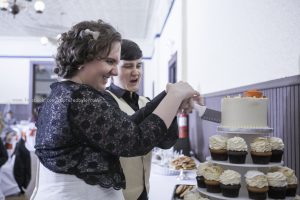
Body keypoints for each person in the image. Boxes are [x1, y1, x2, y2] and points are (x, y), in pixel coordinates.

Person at [33, 19, 199, 200]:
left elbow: (126, 125)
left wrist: (169, 95)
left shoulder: (67, 93)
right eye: (110, 61)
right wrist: (174, 97)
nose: (114, 72)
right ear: (83, 58)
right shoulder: (79, 98)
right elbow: (136, 141)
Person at [107, 39, 178, 200]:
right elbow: (126, 133)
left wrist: (172, 107)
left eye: (138, 65)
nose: (136, 72)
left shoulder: (145, 102)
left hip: (144, 192)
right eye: (128, 66)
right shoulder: (105, 102)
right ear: (112, 70)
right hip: (117, 195)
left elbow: (166, 143)